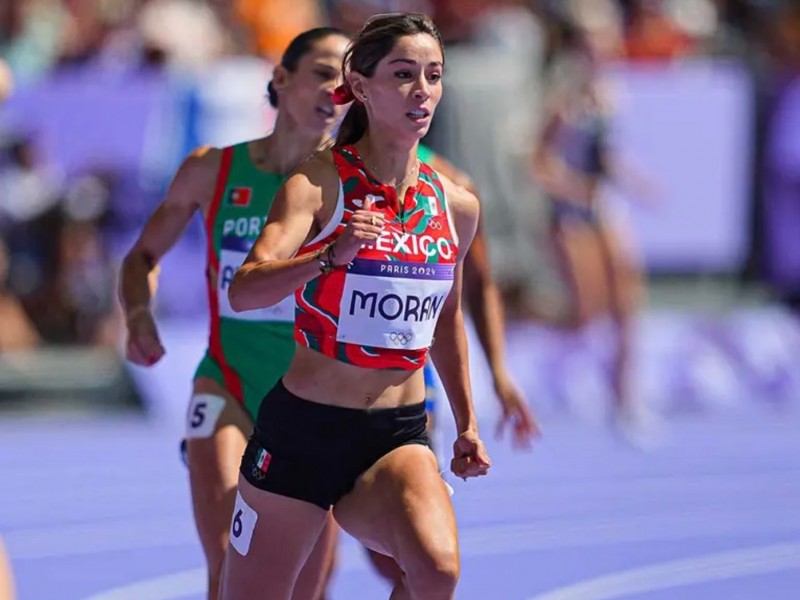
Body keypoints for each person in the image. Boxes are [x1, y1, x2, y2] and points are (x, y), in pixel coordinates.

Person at [220, 13, 490, 600]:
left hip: (396, 434)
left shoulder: (456, 205)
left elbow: (446, 317)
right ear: (362, 87)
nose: (422, 90)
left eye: (433, 75)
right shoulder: (317, 183)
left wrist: (467, 421)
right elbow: (244, 289)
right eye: (403, 74)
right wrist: (327, 257)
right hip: (303, 433)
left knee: (436, 571)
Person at [118, 27, 349, 600]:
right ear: (281, 79)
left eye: (349, 82)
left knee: (304, 587)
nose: (336, 91)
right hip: (228, 384)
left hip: (315, 401)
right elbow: (142, 255)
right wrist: (139, 312)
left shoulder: (355, 184)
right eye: (323, 73)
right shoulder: (212, 170)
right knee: (227, 561)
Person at [532, 15, 654, 441]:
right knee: (586, 310)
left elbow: (608, 157)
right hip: (570, 213)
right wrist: (572, 188)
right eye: (594, 47)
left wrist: (638, 184)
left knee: (627, 305)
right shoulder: (562, 100)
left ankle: (625, 398)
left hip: (603, 208)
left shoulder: (610, 96)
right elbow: (539, 161)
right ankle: (534, 360)